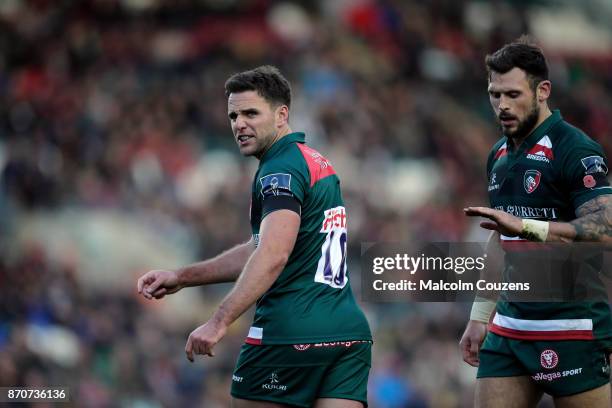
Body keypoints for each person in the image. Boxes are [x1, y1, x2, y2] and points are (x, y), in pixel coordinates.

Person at [137, 65, 372, 408]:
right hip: (347, 333)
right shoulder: (315, 161)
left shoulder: (279, 169)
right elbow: (261, 247)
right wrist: (182, 277)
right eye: (233, 115)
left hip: (290, 332)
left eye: (250, 113)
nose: (239, 124)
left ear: (281, 115)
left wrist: (219, 322)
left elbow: (273, 254)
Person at [459, 37, 612, 407]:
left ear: (543, 90)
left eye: (513, 94)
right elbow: (501, 240)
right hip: (510, 328)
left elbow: (604, 230)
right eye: (495, 95)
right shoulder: (498, 154)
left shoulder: (576, 149)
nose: (502, 106)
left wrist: (527, 227)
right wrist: (480, 315)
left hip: (571, 328)